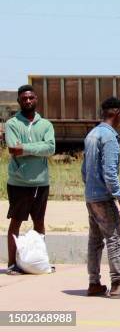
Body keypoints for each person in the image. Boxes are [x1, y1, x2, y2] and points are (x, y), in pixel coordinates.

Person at [82, 97, 120, 299]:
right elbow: (110, 173)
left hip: (90, 196)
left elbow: (84, 170)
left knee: (95, 240)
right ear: (117, 113)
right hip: (103, 197)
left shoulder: (92, 134)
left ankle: (94, 283)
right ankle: (116, 284)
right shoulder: (109, 137)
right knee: (114, 239)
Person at [5, 85, 55, 275]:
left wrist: (25, 148)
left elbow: (50, 148)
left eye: (31, 98)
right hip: (19, 183)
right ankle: (12, 264)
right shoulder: (12, 124)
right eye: (24, 98)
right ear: (19, 101)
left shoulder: (46, 125)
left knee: (40, 222)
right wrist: (38, 147)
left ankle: (40, 262)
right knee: (16, 222)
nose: (27, 101)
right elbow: (12, 148)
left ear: (36, 99)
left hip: (41, 182)